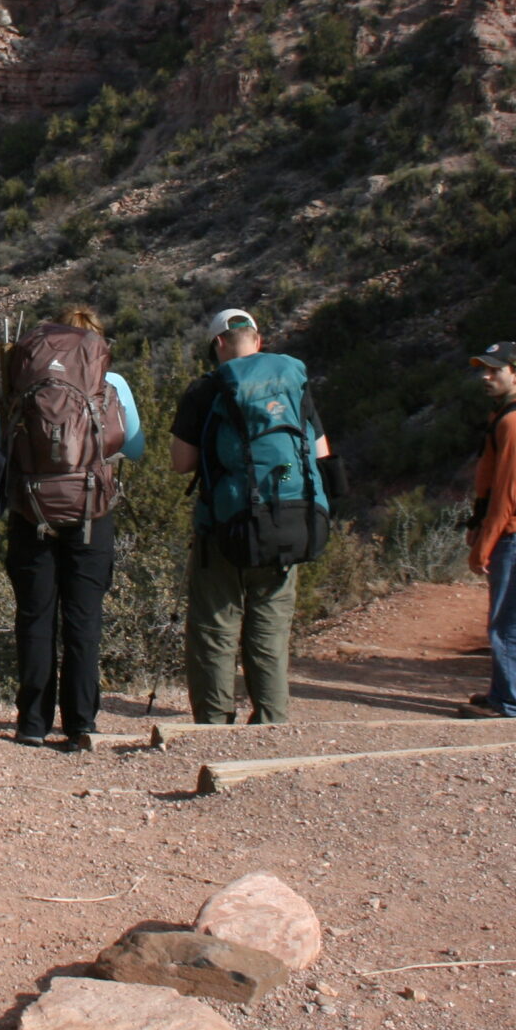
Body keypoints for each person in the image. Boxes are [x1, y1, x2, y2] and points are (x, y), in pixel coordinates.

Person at [170, 307, 343, 726]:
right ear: (258, 339)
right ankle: (271, 721)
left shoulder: (205, 390)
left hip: (225, 527)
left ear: (217, 344)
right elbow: (321, 454)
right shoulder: (293, 383)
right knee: (270, 628)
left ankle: (213, 723)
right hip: (290, 520)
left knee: (215, 628)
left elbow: (180, 462)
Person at [0, 304, 145, 752]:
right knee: (83, 618)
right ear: (96, 346)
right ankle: (81, 723)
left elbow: (2, 445)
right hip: (90, 511)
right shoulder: (111, 383)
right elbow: (134, 446)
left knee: (36, 616)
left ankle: (32, 723)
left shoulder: (22, 377)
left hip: (31, 510)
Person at [464, 340, 516, 718]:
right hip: (512, 531)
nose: (486, 376)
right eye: (484, 368)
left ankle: (509, 702)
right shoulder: (504, 415)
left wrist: (485, 542)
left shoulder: (515, 421)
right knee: (505, 613)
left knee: (511, 617)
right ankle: (502, 693)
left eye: (495, 370)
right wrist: (477, 527)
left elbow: (508, 492)